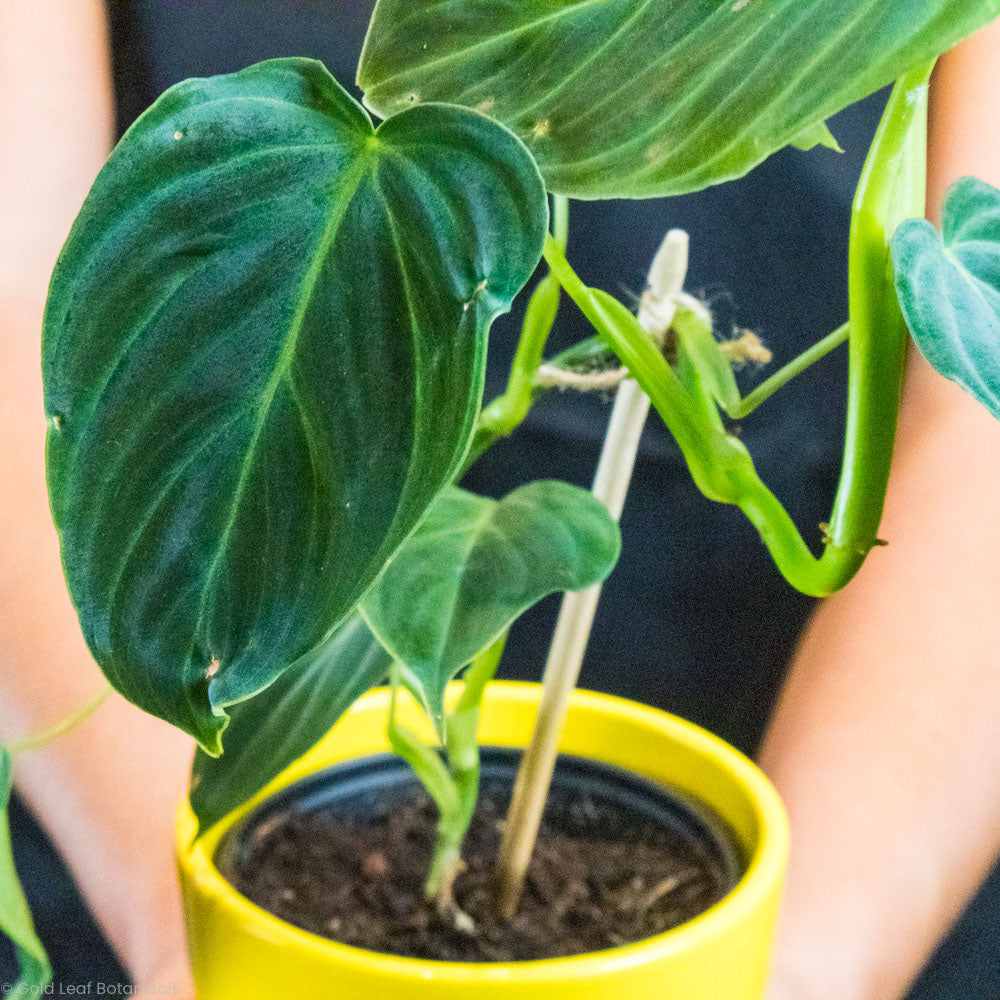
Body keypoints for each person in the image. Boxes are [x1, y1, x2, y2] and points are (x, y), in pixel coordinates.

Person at [1, 2, 998, 996]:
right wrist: (196, 944)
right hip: (145, 805)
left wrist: (794, 967)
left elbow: (977, 407)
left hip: (849, 789)